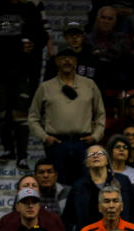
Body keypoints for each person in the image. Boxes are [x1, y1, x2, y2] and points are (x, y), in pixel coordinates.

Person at [0, 0, 47, 171]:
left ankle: (22, 155)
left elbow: (42, 36)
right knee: (0, 112)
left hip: (23, 71)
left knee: (20, 114)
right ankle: (8, 149)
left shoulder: (29, 8)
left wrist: (34, 43)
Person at [28, 47, 106, 186]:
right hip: (57, 144)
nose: (67, 61)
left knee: (85, 185)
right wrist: (45, 137)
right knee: (59, 186)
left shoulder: (89, 85)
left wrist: (95, 136)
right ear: (57, 62)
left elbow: (100, 114)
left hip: (83, 143)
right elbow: (33, 117)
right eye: (63, 58)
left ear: (76, 62)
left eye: (70, 58)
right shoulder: (46, 87)